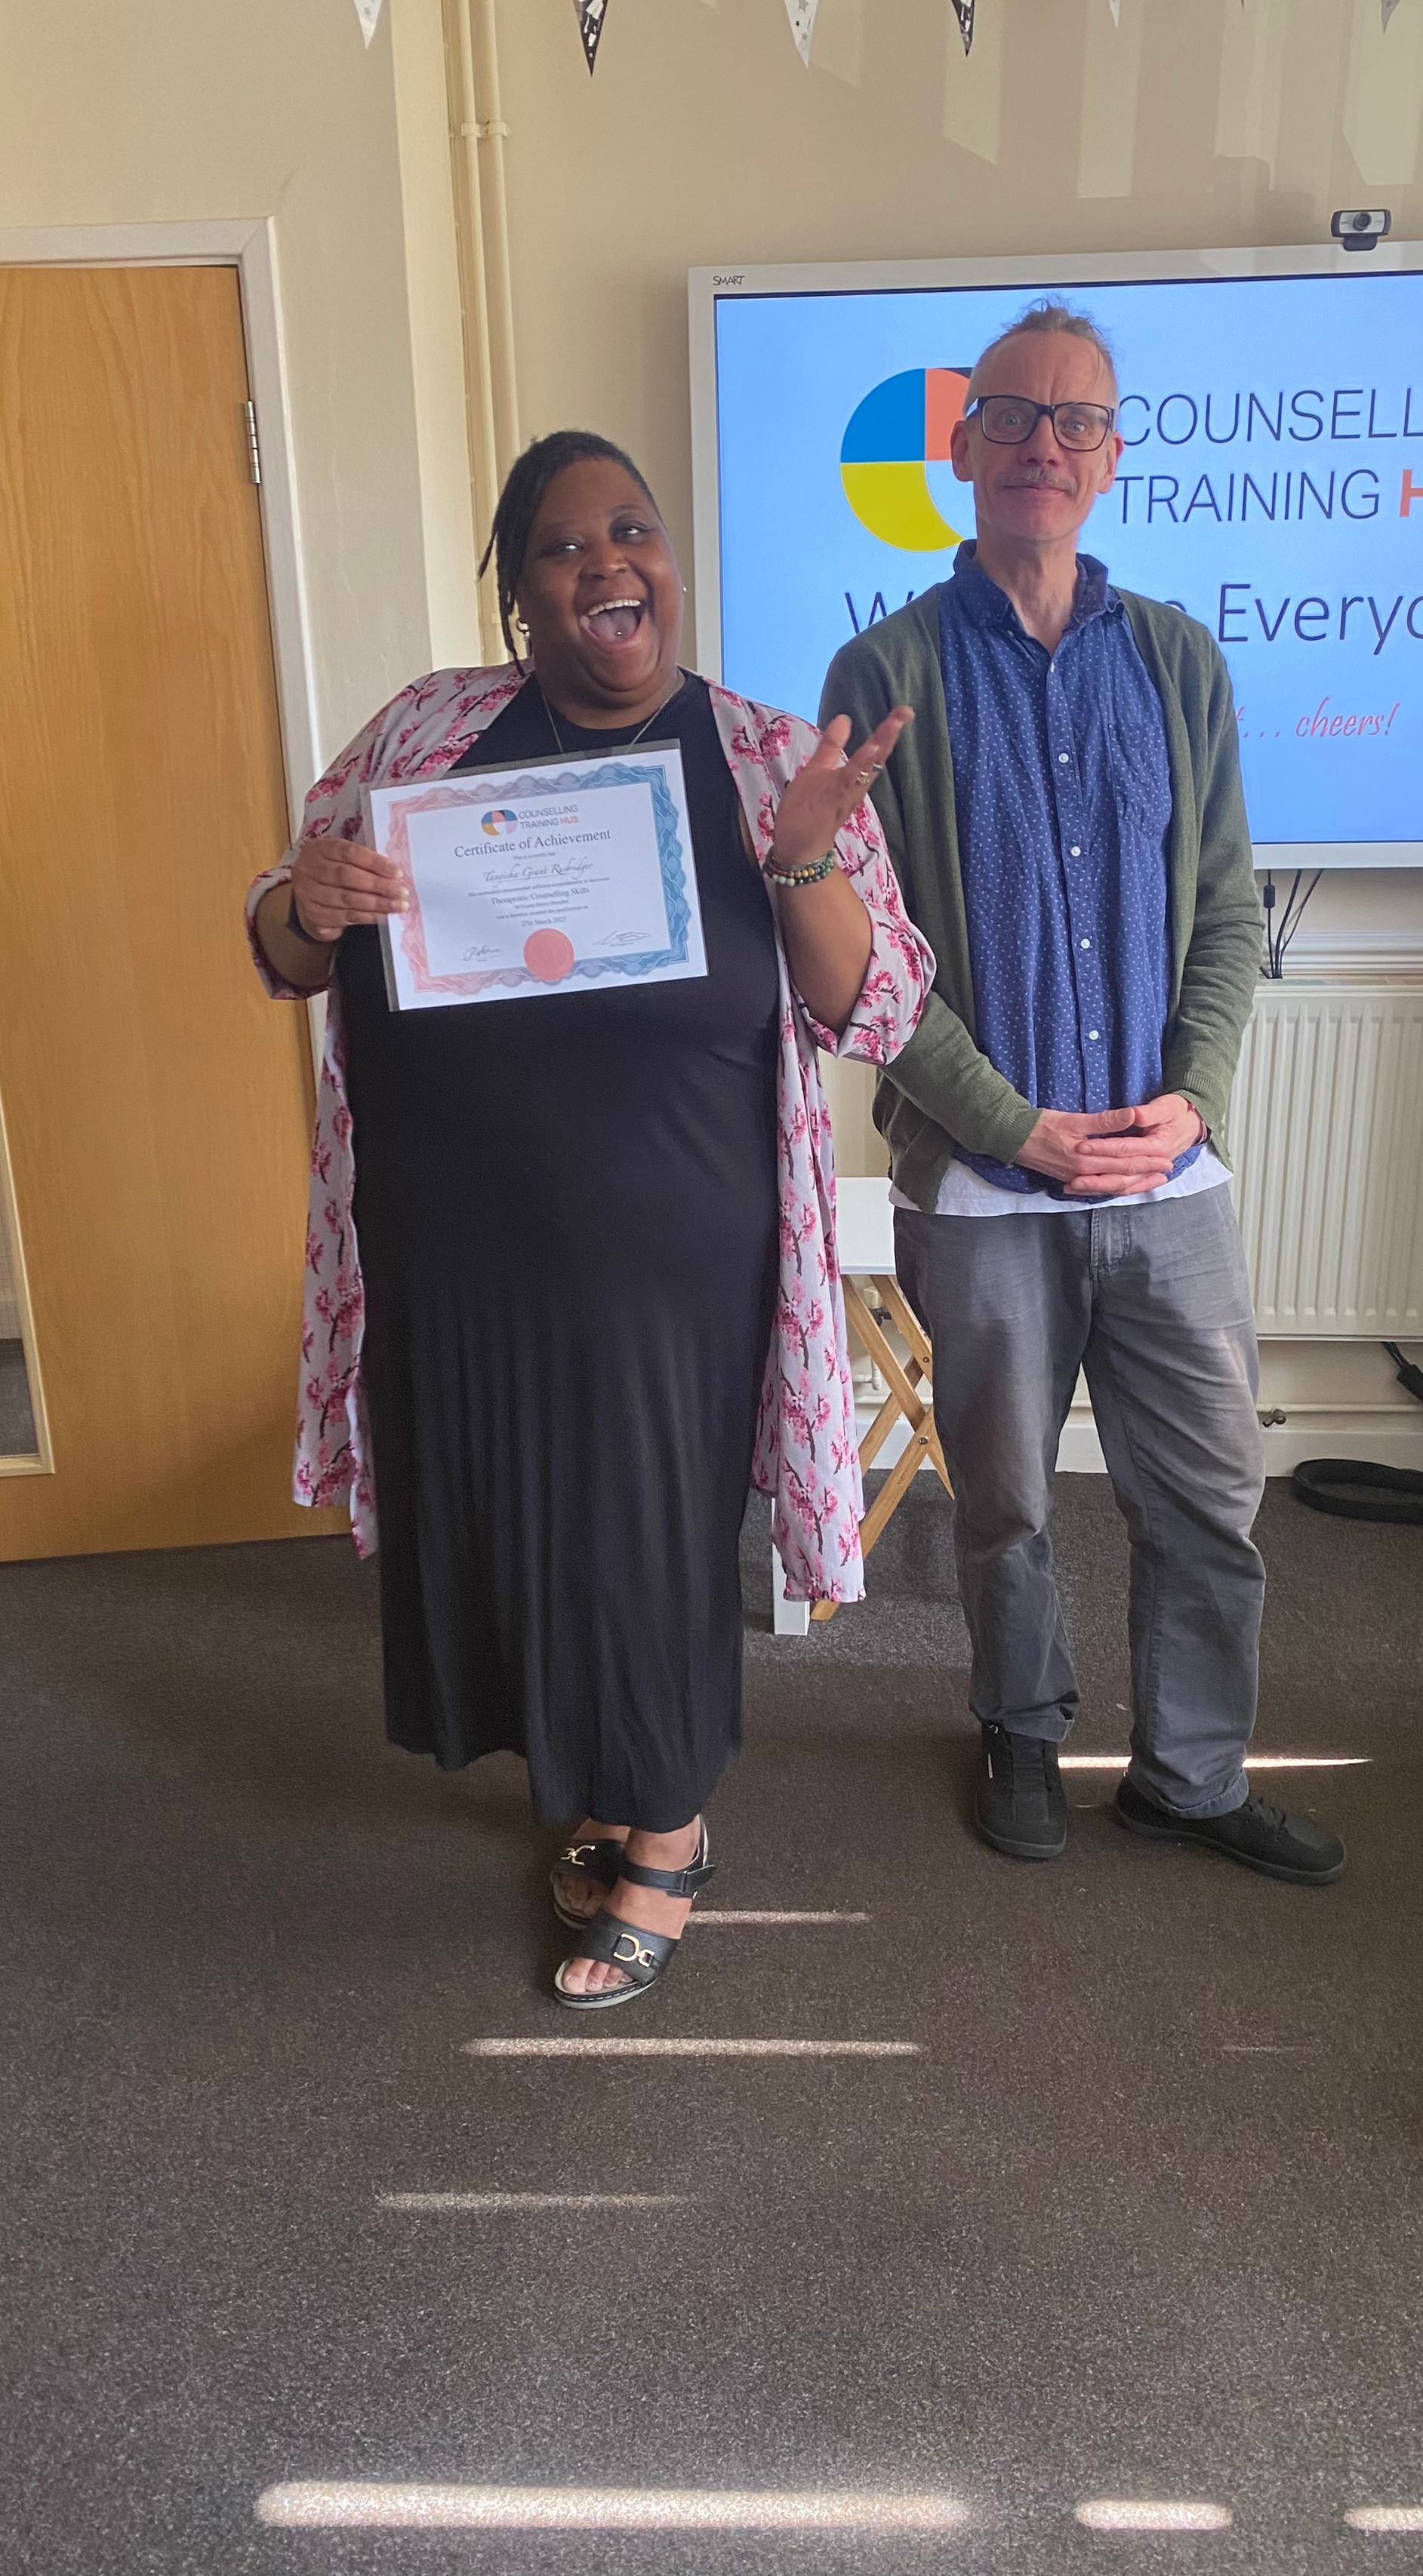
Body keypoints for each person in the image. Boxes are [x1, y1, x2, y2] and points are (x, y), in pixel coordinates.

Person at [246, 430, 930, 2006]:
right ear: (519, 594)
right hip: (449, 1249)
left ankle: (669, 1835)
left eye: (635, 533)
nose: (609, 565)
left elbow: (876, 1006)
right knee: (503, 1522)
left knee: (647, 1540)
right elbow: (287, 936)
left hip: (663, 1259)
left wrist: (811, 852)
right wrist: (306, 901)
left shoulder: (767, 754)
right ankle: (598, 1785)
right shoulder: (429, 729)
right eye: (565, 546)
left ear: (670, 564)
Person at [822, 302, 1344, 1888]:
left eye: (1077, 424)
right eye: (1015, 416)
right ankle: (1022, 1731)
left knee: (1210, 1497)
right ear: (963, 444)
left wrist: (1192, 1095)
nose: (1044, 445)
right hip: (988, 1192)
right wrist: (1018, 1126)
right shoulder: (887, 664)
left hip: (1169, 1184)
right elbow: (865, 952)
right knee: (1003, 1504)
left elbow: (1233, 911)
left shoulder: (1178, 658)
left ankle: (1189, 1777)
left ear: (1110, 459)